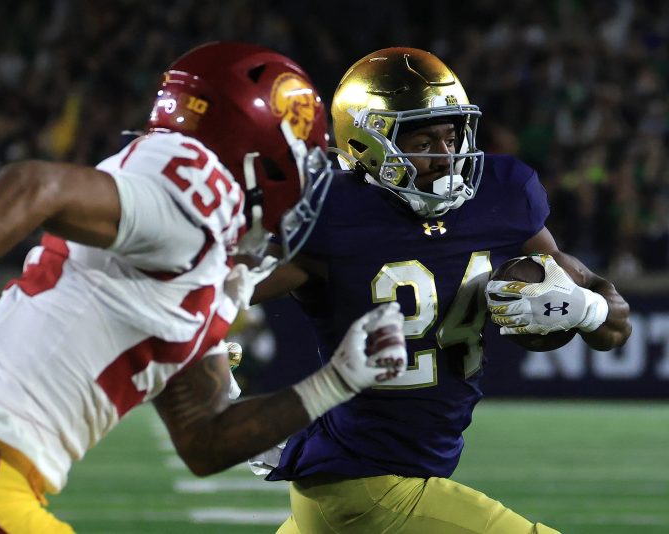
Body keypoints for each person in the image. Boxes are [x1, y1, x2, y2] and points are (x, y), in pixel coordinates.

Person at [0, 42, 409, 533]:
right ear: (260, 155)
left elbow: (204, 440)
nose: (307, 183)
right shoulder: (195, 195)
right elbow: (32, 185)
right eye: (300, 161)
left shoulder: (198, 261)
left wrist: (335, 381)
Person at [249, 47, 632, 534]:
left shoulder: (500, 198)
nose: (446, 156)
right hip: (366, 489)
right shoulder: (332, 217)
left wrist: (588, 309)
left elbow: (615, 323)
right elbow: (202, 298)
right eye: (423, 141)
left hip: (367, 484)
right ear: (365, 146)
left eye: (452, 137)